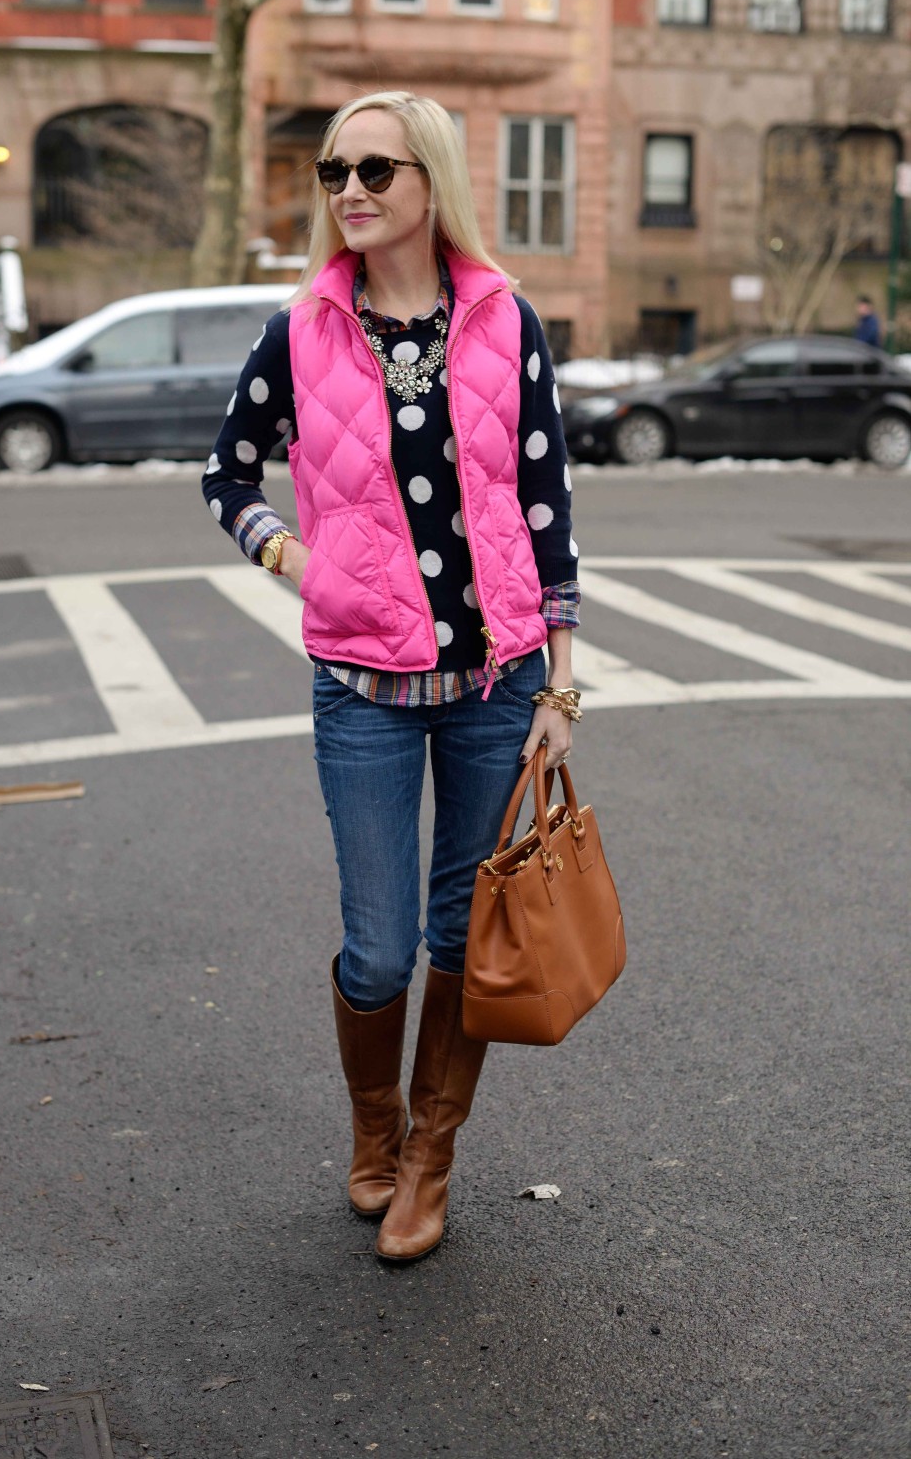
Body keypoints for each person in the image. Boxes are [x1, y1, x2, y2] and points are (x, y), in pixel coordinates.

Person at [202, 91, 581, 1263]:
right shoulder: (302, 331)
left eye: (376, 167)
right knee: (378, 948)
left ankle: (430, 1154)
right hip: (362, 688)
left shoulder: (505, 320)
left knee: (463, 941)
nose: (350, 189)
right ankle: (372, 1126)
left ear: (433, 181)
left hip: (497, 687)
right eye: (334, 171)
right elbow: (228, 474)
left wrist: (561, 690)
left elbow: (548, 509)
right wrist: (294, 557)